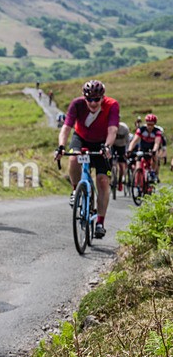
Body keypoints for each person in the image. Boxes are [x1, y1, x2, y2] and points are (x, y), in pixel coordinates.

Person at [55, 80, 119, 239]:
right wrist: (61, 146)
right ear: (84, 97)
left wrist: (107, 146)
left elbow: (112, 130)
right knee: (74, 159)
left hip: (102, 142)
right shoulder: (77, 104)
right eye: (89, 99)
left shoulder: (112, 105)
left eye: (97, 99)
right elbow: (66, 127)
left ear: (102, 98)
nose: (93, 103)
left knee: (103, 180)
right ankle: (76, 189)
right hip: (81, 138)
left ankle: (100, 223)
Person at [128, 113, 163, 181]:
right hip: (142, 148)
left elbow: (157, 143)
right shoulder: (141, 129)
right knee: (138, 166)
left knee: (155, 156)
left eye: (151, 125)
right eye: (148, 124)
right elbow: (134, 141)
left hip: (152, 148)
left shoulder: (157, 131)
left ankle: (153, 172)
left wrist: (154, 150)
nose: (149, 126)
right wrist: (129, 150)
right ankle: (138, 180)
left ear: (154, 124)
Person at [112, 121, 131, 191]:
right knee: (111, 162)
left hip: (122, 146)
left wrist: (127, 151)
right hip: (113, 146)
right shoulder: (110, 126)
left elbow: (127, 141)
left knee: (121, 166)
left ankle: (120, 181)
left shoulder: (124, 128)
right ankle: (111, 176)